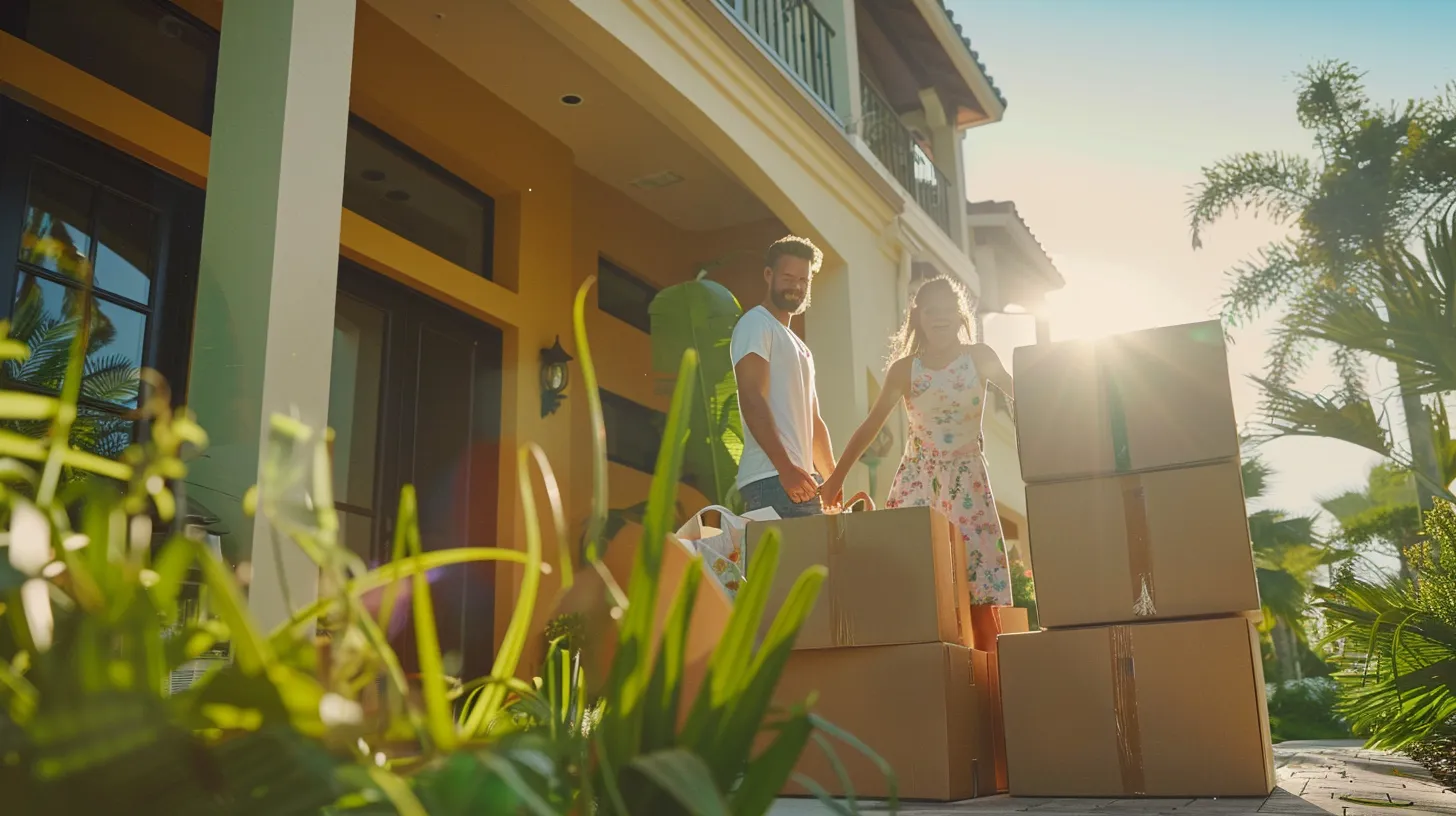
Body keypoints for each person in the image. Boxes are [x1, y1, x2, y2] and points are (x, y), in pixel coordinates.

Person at [820, 274, 1015, 606]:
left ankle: (989, 657)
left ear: (960, 313)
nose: (940, 317)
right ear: (917, 318)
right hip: (918, 482)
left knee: (980, 593)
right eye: (930, 311)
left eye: (947, 309)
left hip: (968, 482)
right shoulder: (904, 370)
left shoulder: (979, 357)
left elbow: (1019, 396)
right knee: (913, 585)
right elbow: (870, 426)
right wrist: (834, 480)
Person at [731, 236, 837, 518]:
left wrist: (832, 480)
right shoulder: (756, 323)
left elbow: (814, 422)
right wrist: (785, 469)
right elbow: (752, 397)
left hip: (800, 483)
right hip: (773, 480)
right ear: (769, 275)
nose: (797, 286)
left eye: (804, 280)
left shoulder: (800, 347)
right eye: (789, 277)